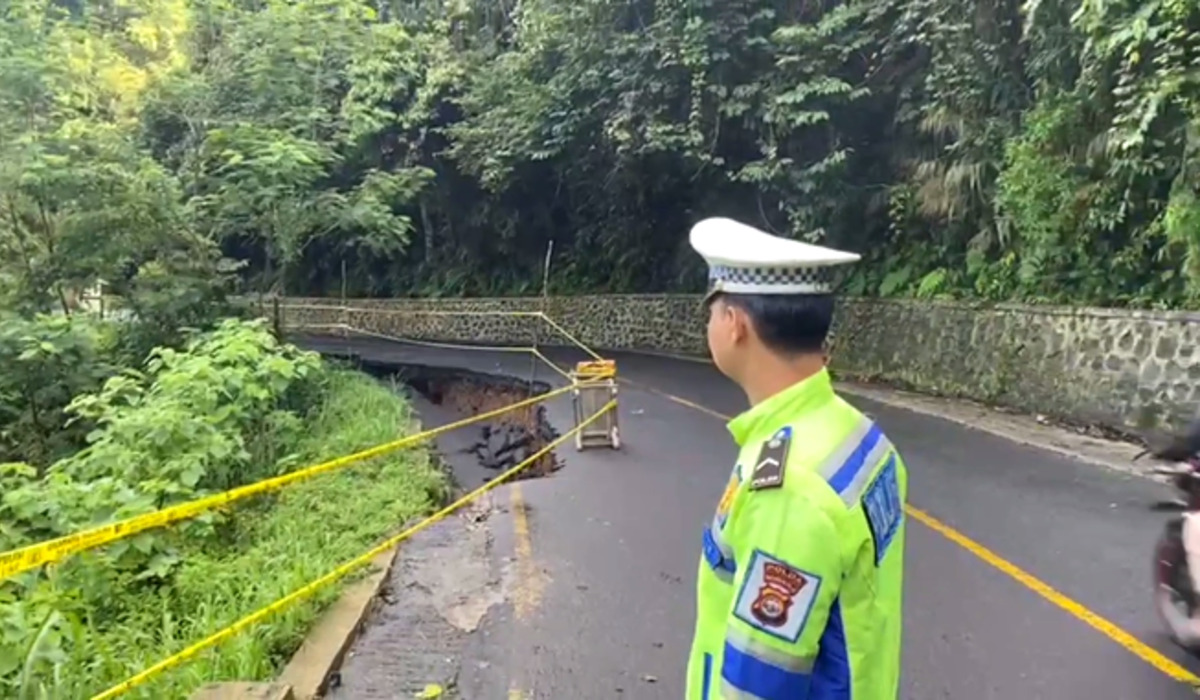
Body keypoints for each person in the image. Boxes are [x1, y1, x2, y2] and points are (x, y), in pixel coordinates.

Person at [685, 217, 907, 699]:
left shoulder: (790, 489)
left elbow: (759, 685)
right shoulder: (857, 435)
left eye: (711, 310)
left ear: (735, 324)